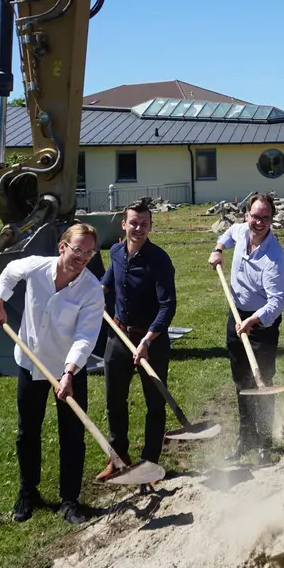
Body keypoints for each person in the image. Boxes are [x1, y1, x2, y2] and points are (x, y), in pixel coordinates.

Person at [0, 223, 105, 525]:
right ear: (63, 247)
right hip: (30, 362)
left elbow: (85, 336)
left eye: (89, 252)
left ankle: (69, 500)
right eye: (78, 249)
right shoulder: (38, 267)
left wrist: (68, 372)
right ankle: (28, 493)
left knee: (72, 435)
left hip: (69, 369)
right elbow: (10, 270)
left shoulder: (92, 289)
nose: (83, 257)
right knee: (28, 431)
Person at [98, 200, 178, 480]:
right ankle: (118, 458)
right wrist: (96, 294)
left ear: (150, 226)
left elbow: (168, 305)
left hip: (151, 340)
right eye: (133, 222)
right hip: (119, 336)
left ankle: (150, 461)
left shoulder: (159, 259)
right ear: (124, 224)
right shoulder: (117, 252)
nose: (138, 228)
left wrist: (147, 340)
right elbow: (107, 283)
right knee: (114, 401)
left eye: (144, 223)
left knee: (154, 402)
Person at [210, 193, 284, 465]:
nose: (259, 222)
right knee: (241, 380)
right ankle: (246, 438)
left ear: (271, 219)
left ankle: (265, 442)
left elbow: (277, 301)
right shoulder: (241, 231)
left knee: (262, 381)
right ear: (247, 215)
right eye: (255, 216)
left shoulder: (274, 257)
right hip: (236, 314)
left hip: (262, 322)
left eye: (265, 218)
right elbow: (229, 233)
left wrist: (254, 320)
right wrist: (219, 248)